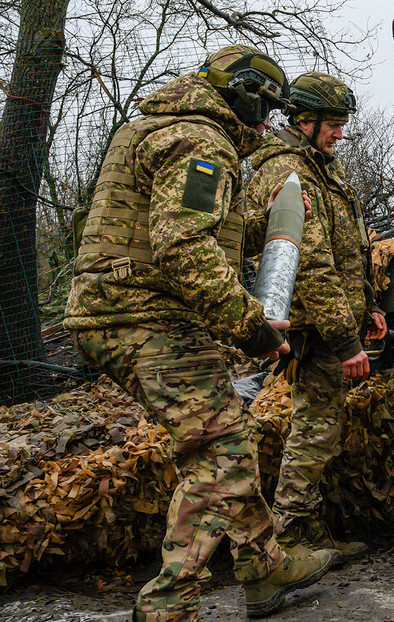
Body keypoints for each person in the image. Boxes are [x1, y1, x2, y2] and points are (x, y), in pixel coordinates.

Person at [64, 46, 336, 622]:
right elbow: (183, 247)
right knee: (221, 454)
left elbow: (191, 230)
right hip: (145, 318)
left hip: (123, 312)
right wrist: (250, 326)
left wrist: (269, 222)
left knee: (226, 436)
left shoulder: (161, 127)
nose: (268, 123)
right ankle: (168, 603)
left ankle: (263, 565)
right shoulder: (200, 141)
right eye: (266, 108)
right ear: (244, 95)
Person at [246, 72, 386, 562]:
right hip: (318, 328)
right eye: (333, 124)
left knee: (319, 429)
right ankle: (290, 537)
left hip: (335, 320)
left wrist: (368, 308)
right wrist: (347, 342)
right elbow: (311, 264)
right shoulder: (290, 170)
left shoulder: (321, 166)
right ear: (305, 121)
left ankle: (304, 531)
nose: (340, 134)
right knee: (314, 431)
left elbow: (350, 249)